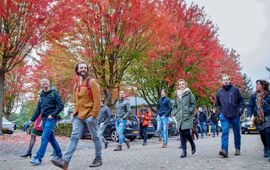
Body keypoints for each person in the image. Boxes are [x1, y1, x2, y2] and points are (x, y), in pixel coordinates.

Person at [51, 61, 102, 169]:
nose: (83, 69)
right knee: (74, 137)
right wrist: (73, 114)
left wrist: (94, 115)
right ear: (77, 70)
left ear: (87, 70)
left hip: (90, 116)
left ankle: (98, 158)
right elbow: (76, 100)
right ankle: (65, 161)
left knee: (95, 137)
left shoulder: (92, 82)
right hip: (78, 115)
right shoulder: (76, 85)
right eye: (81, 68)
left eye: (85, 68)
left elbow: (98, 100)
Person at [29, 79, 64, 165]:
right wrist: (32, 119)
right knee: (51, 138)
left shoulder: (54, 93)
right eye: (43, 81)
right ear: (41, 85)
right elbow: (38, 110)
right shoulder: (41, 97)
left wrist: (53, 115)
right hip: (44, 120)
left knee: (44, 137)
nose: (45, 82)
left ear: (49, 84)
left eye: (46, 81)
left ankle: (38, 158)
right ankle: (59, 154)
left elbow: (61, 105)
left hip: (51, 119)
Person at [216, 74, 245, 157]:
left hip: (235, 115)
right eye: (224, 80)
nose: (225, 81)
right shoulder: (219, 92)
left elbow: (241, 102)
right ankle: (224, 150)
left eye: (227, 79)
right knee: (225, 131)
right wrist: (219, 113)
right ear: (222, 81)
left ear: (229, 80)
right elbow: (217, 104)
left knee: (236, 133)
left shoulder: (235, 90)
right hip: (224, 115)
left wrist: (239, 111)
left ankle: (237, 148)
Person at [247, 80, 270, 161]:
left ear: (263, 85)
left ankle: (269, 149)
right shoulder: (253, 96)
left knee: (268, 132)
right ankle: (266, 147)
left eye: (258, 84)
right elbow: (249, 106)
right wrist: (249, 115)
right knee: (262, 133)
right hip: (258, 118)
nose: (256, 86)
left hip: (267, 116)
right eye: (256, 84)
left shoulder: (268, 94)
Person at [173, 79, 196, 158]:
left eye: (183, 84)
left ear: (185, 85)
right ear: (178, 86)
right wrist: (175, 113)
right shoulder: (176, 94)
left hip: (187, 116)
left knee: (186, 132)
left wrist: (189, 111)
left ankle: (192, 144)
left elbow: (193, 104)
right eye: (180, 84)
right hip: (179, 116)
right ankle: (184, 151)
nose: (181, 85)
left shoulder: (189, 93)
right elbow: (174, 106)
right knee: (181, 133)